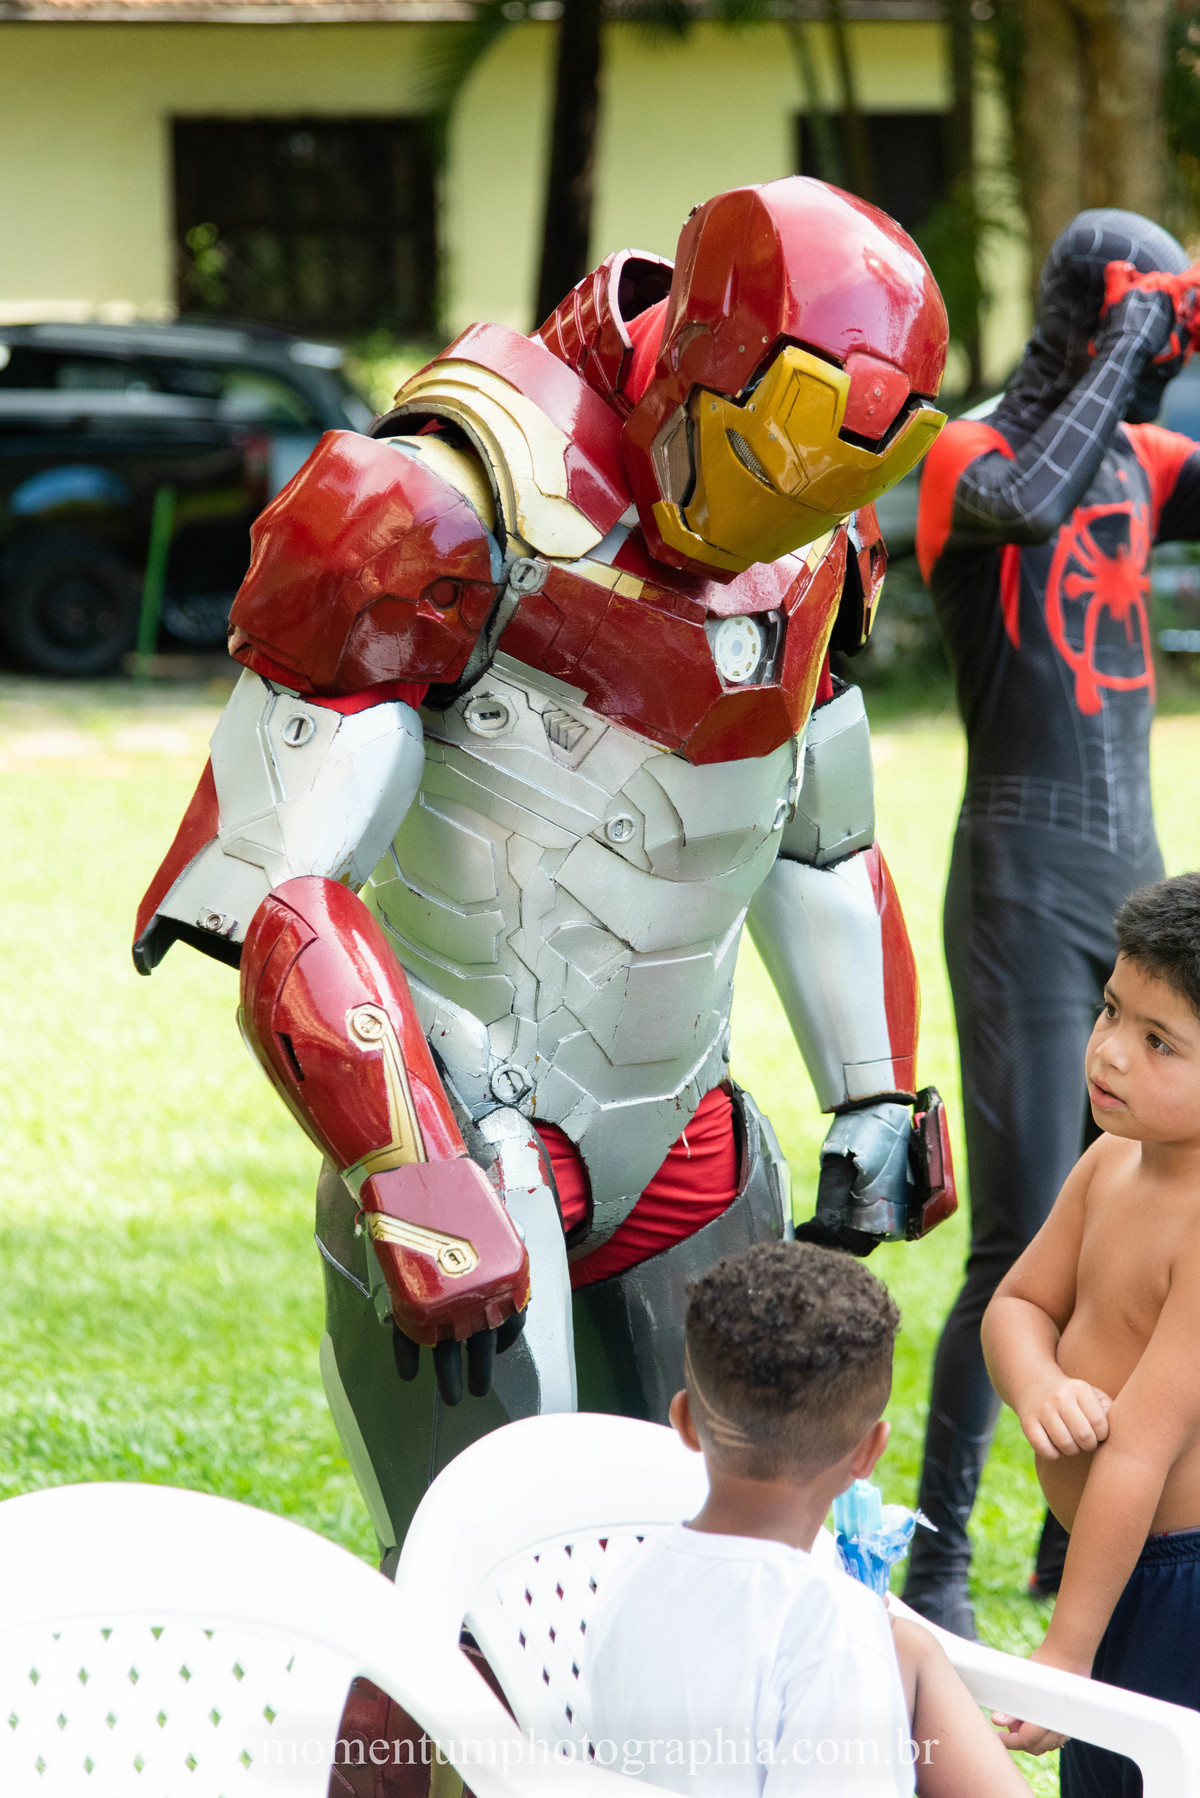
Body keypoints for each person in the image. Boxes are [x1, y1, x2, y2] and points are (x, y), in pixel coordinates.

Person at [134, 177, 956, 1567]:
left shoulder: (819, 547)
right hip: (470, 1112)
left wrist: (873, 1089)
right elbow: (288, 888)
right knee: (489, 1595)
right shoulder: (438, 505)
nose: (781, 518)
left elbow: (819, 831)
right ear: (695, 367)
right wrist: (403, 1158)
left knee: (742, 1561)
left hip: (688, 1126)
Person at [905, 209, 1200, 1637]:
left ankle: (1066, 1526)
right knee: (1025, 1226)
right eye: (1134, 322)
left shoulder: (1149, 463)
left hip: (1136, 890)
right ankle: (940, 1557)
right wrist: (1131, 332)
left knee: (1156, 1207)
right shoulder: (968, 457)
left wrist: (1178, 335)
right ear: (1088, 315)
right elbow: (1027, 502)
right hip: (1019, 874)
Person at [581, 1240, 1029, 1797]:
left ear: (685, 1422)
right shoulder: (834, 1627)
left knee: (909, 1643)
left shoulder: (626, 1580)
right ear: (868, 1454)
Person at [982, 872, 1200, 1794]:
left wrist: (1066, 1655)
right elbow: (1016, 1306)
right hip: (1107, 1562)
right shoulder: (1112, 1161)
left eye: (1160, 1043)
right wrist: (1038, 1384)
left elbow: (1138, 1457)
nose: (1110, 1055)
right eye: (1111, 1012)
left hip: (1174, 1584)